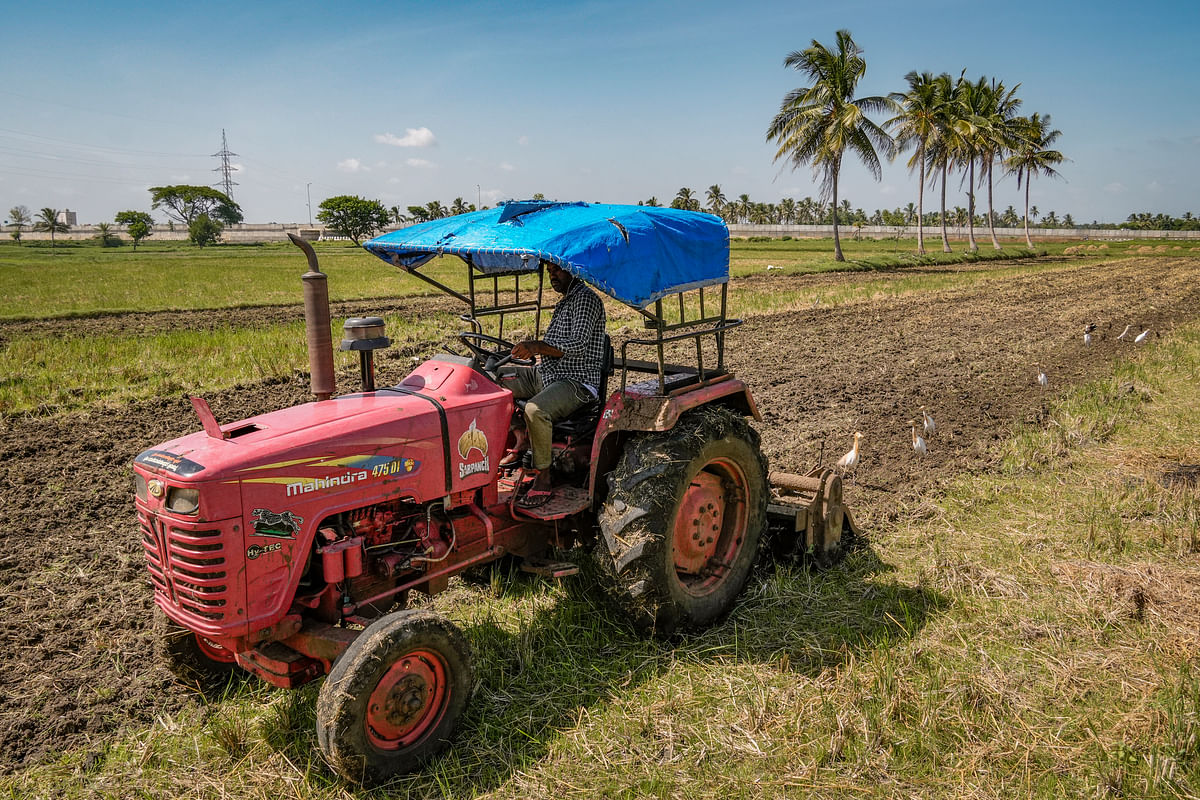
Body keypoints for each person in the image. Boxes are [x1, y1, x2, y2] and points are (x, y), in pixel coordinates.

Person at [499, 261, 606, 508]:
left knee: (536, 410)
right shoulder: (566, 300)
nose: (552, 276)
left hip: (576, 381)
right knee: (493, 380)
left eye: (557, 270)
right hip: (547, 374)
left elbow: (577, 345)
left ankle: (544, 476)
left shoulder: (586, 300)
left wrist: (536, 347)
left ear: (574, 269)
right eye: (549, 271)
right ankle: (520, 438)